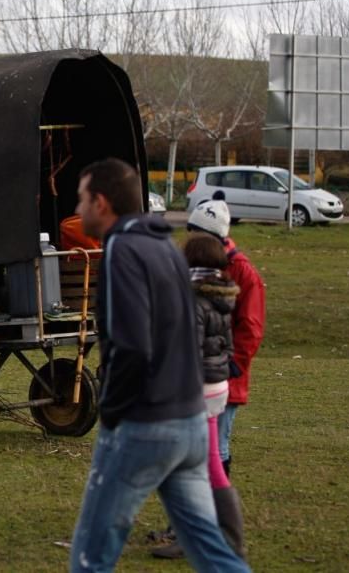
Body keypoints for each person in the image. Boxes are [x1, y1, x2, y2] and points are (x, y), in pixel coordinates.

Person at [69, 158, 249, 573]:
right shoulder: (164, 247)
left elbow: (133, 345)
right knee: (213, 553)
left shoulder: (121, 249)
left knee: (90, 558)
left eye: (81, 200)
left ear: (101, 202)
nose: (78, 212)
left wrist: (111, 412)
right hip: (188, 423)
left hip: (146, 425)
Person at [152, 233, 246, 559]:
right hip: (217, 386)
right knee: (204, 464)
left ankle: (196, 535)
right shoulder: (223, 295)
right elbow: (225, 345)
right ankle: (223, 538)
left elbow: (187, 351)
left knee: (193, 466)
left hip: (196, 390)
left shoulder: (193, 300)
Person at [186, 194, 266, 480]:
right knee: (199, 451)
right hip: (203, 376)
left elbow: (251, 328)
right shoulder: (197, 267)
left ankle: (215, 519)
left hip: (224, 377)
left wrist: (232, 366)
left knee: (215, 450)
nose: (191, 240)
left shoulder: (243, 273)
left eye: (197, 234)